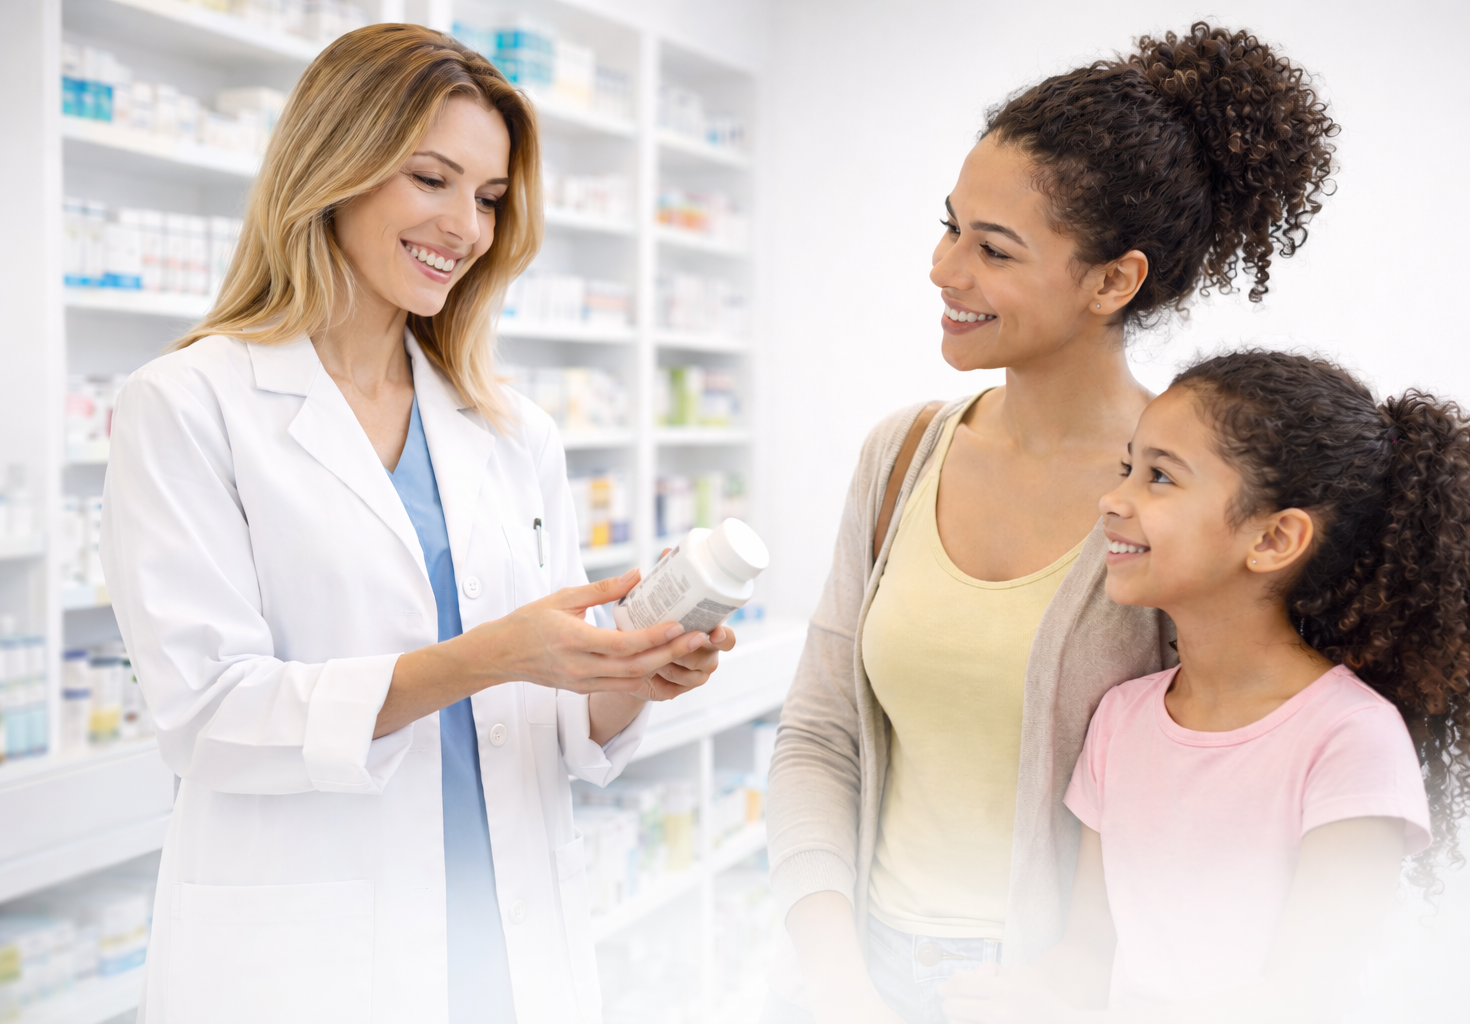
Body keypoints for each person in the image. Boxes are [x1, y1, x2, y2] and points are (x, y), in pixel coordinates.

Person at [100, 25, 732, 1024]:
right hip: (313, 959)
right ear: (335, 166)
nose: (467, 227)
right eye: (431, 178)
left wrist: (627, 677)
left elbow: (559, 728)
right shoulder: (187, 403)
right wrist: (483, 657)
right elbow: (210, 716)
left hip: (510, 940)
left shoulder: (510, 430)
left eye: (487, 198)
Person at [764, 24, 1338, 1024]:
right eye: (949, 227)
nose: (944, 270)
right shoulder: (900, 458)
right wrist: (835, 974)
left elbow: (1239, 784)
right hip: (860, 964)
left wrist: (1081, 977)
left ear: (1111, 280)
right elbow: (819, 734)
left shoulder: (1192, 510)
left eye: (993, 249)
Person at [942, 351, 1470, 1023]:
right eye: (1125, 468)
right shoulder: (1121, 718)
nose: (1114, 498)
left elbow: (1305, 999)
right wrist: (1020, 996)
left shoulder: (1351, 741)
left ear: (1275, 537)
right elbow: (1089, 952)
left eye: (1160, 476)